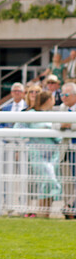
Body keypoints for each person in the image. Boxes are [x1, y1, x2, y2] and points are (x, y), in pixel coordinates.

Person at [16, 91, 61, 218]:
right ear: (48, 100)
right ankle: (41, 213)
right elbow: (18, 129)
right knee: (47, 182)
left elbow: (59, 136)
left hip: (53, 155)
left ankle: (45, 213)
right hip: (37, 154)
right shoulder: (30, 114)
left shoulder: (51, 115)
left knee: (50, 183)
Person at [55, 82, 76, 219]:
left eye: (66, 94)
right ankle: (68, 208)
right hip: (65, 149)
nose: (63, 97)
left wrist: (69, 124)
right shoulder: (62, 107)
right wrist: (65, 124)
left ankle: (71, 206)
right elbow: (55, 124)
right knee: (66, 180)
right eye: (62, 94)